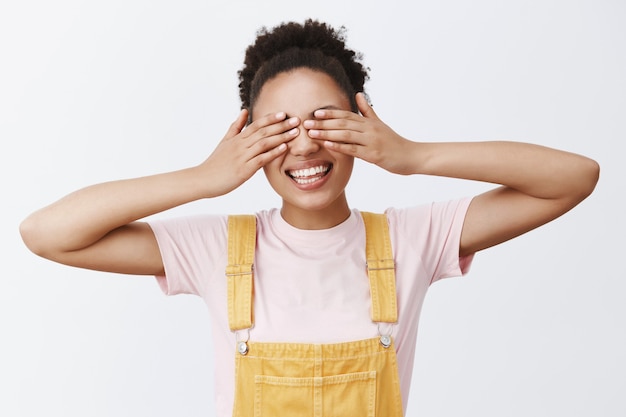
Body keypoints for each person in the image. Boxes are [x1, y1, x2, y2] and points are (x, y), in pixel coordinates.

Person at [20, 19, 599, 416]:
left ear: (361, 125)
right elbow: (47, 234)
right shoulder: (217, 248)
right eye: (279, 128)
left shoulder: (413, 237)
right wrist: (205, 178)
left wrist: (415, 156)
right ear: (249, 138)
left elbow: (574, 177)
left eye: (325, 122)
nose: (303, 147)